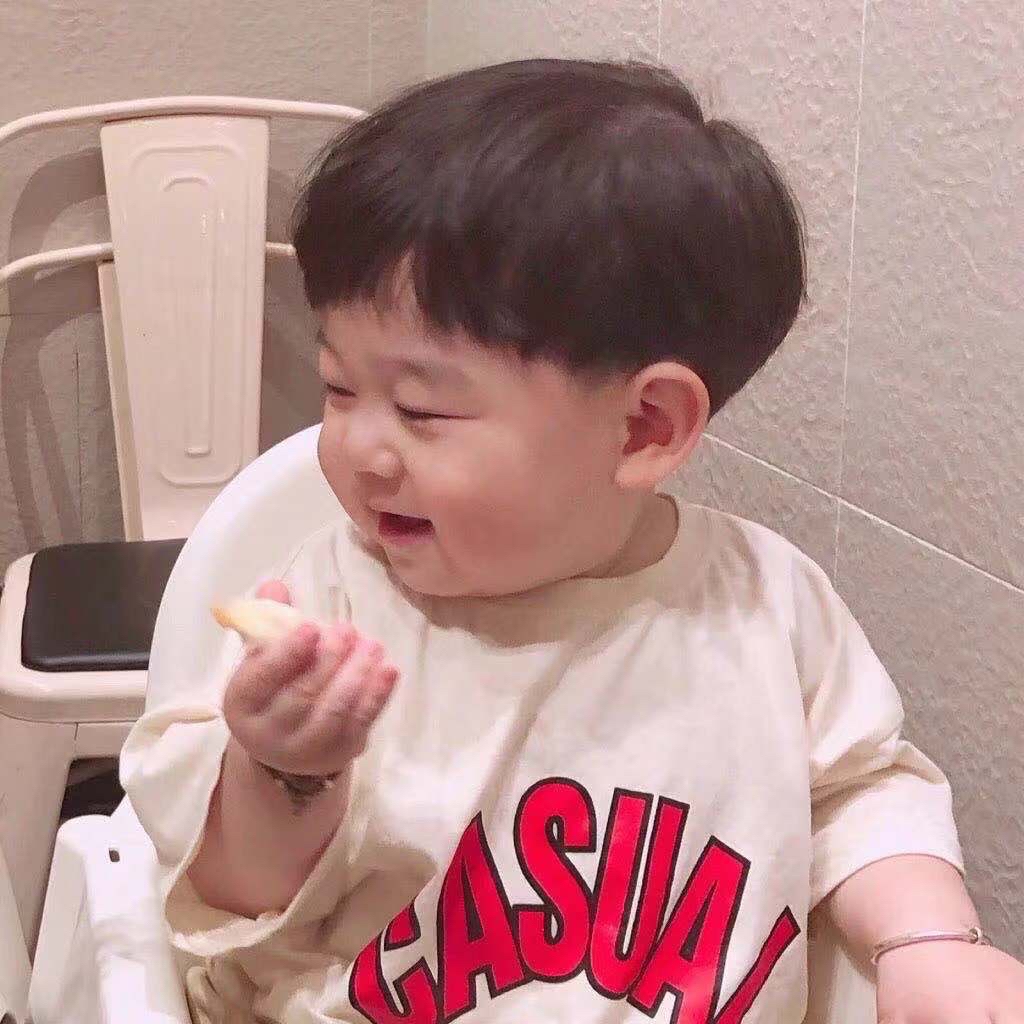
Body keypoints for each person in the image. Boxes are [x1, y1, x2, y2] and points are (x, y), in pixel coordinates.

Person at [121, 59, 1024, 1024]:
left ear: (643, 428)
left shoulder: (765, 605)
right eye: (340, 387)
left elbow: (858, 790)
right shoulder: (330, 610)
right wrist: (285, 771)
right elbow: (231, 893)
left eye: (421, 410)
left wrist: (928, 941)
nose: (359, 449)